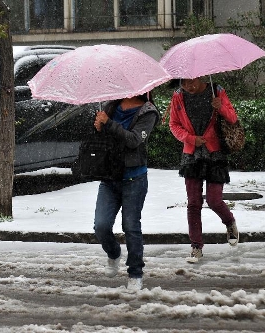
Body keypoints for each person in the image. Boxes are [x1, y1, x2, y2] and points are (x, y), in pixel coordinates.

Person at [168, 77, 239, 263]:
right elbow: (173, 125)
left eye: (192, 82)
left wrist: (220, 107)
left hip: (215, 153)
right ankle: (196, 247)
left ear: (201, 77)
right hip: (192, 154)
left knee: (215, 200)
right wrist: (190, 138)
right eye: (184, 83)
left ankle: (229, 222)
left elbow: (233, 118)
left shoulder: (217, 90)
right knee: (193, 203)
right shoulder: (178, 96)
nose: (188, 87)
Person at [93, 92, 159, 290]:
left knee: (131, 226)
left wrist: (109, 124)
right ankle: (113, 253)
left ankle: (135, 273)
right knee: (101, 226)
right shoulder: (112, 105)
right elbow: (106, 139)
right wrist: (98, 127)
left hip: (134, 177)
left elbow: (133, 140)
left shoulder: (149, 112)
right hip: (109, 175)